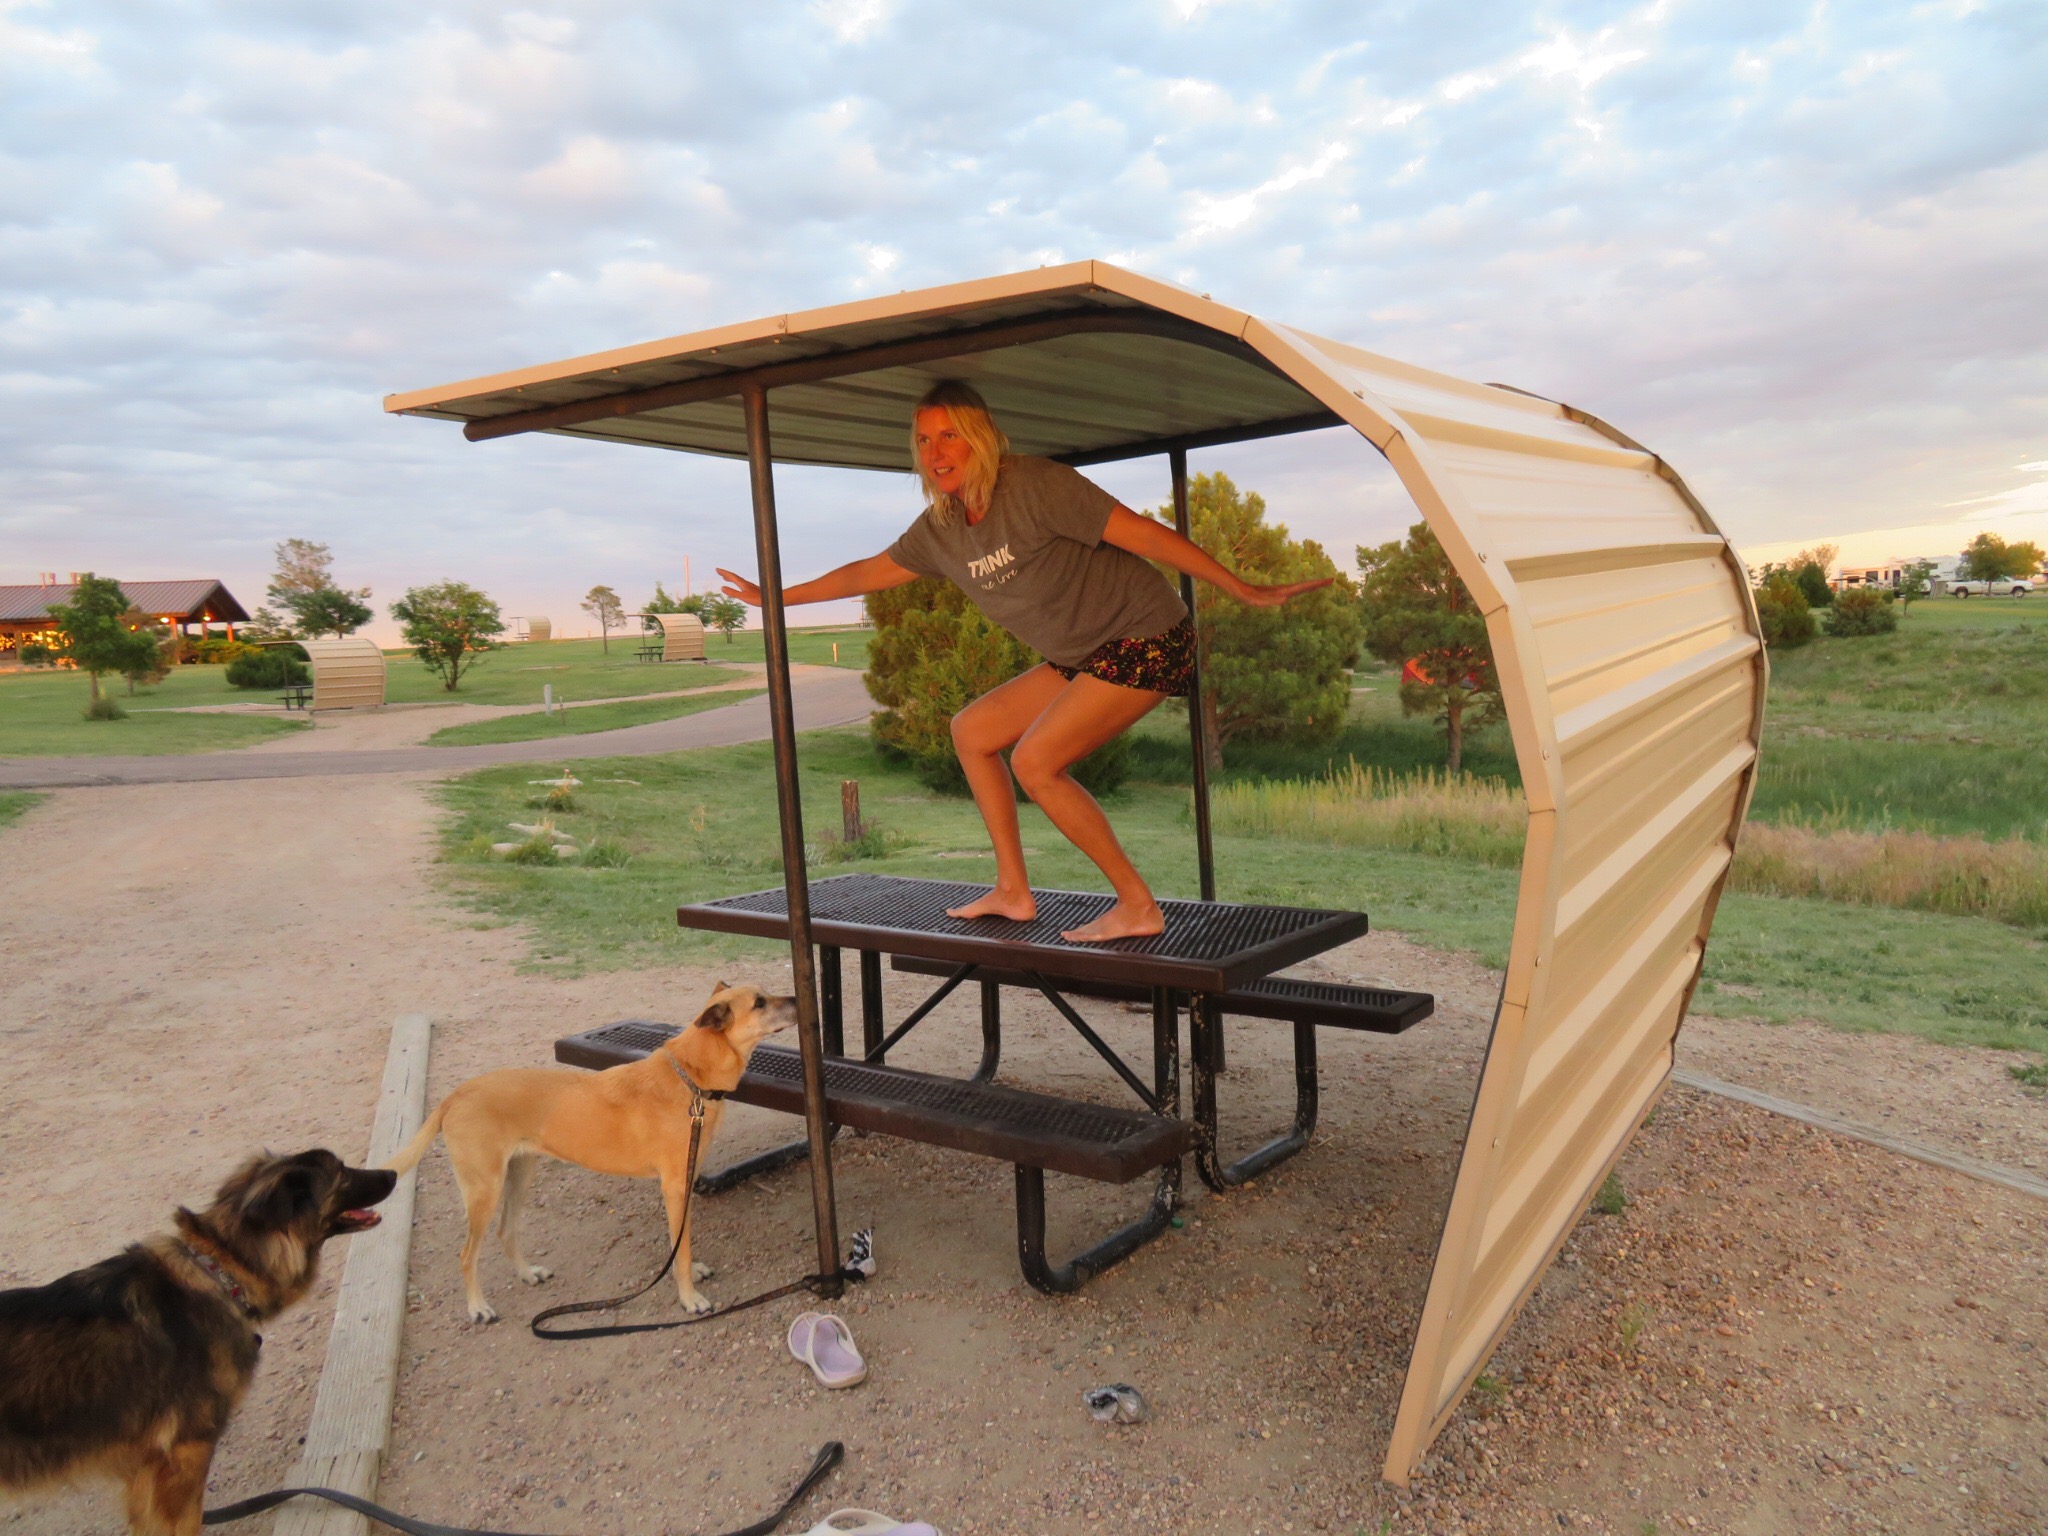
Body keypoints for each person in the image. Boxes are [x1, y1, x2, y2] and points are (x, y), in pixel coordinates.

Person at [717, 380, 1330, 943]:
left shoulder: (1035, 486)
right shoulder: (941, 528)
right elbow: (867, 573)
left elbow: (1143, 534)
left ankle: (1137, 904)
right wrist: (776, 596)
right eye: (925, 440)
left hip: (1147, 633)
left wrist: (1238, 586)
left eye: (950, 435)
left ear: (981, 436)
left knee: (1036, 762)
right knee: (973, 732)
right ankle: (1013, 890)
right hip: (1083, 653)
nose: (936, 452)